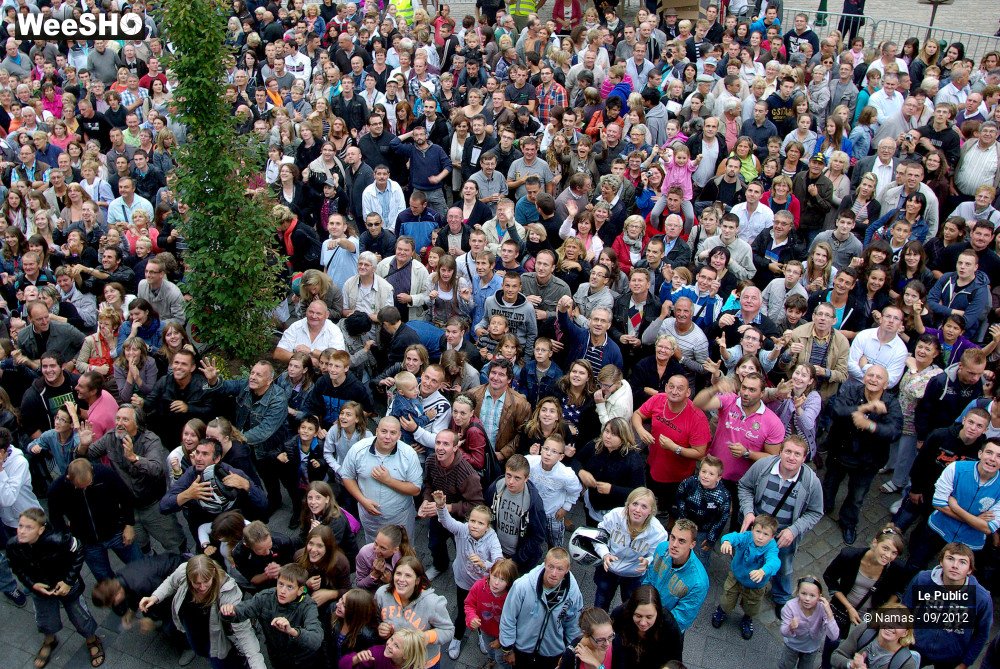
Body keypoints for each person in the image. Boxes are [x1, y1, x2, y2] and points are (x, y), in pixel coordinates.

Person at [77, 403, 187, 554]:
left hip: (153, 505)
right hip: (129, 508)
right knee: (141, 548)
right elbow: (85, 458)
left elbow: (156, 469)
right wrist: (83, 446)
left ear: (137, 423)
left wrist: (134, 457)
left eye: (125, 420)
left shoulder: (150, 440)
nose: (119, 423)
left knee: (175, 543)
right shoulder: (110, 437)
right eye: (117, 419)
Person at [6, 507, 105, 668]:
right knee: (45, 618)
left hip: (66, 586)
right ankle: (50, 641)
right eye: (20, 526)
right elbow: (17, 568)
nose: (22, 531)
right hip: (41, 590)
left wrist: (68, 582)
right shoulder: (13, 545)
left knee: (80, 616)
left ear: (41, 530)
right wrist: (32, 585)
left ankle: (92, 640)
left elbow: (79, 549)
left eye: (29, 527)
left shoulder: (57, 538)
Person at [737, 437, 824, 615]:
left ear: (804, 458)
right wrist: (748, 511)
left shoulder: (811, 482)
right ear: (780, 452)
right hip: (757, 529)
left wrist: (794, 530)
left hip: (783, 535)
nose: (791, 457)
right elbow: (744, 486)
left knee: (783, 567)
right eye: (788, 452)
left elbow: (815, 512)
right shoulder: (763, 466)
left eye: (797, 454)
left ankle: (781, 597)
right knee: (747, 556)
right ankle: (740, 583)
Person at [140, 554, 267, 669]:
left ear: (213, 572)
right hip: (193, 631)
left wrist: (257, 665)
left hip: (218, 640)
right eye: (196, 583)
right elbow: (171, 582)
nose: (202, 587)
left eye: (206, 581)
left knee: (223, 664)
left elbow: (244, 632)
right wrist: (155, 597)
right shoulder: (184, 570)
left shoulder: (228, 593)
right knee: (200, 650)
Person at [822, 525, 910, 668]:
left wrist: (882, 612)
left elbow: (898, 592)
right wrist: (849, 608)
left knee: (862, 646)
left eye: (894, 553)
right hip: (843, 608)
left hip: (871, 614)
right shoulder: (849, 556)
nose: (888, 556)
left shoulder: (897, 568)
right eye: (885, 548)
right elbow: (829, 577)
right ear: (875, 542)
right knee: (833, 643)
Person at [907, 439, 1000, 570]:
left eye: (999, 456)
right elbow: (939, 503)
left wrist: (956, 508)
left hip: (970, 542)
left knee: (955, 577)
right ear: (980, 453)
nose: (992, 459)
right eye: (989, 452)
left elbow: (988, 528)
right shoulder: (956, 468)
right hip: (938, 528)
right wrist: (976, 520)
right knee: (913, 566)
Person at [432, 491, 502, 660]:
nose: (475, 526)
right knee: (463, 611)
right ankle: (457, 638)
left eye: (480, 523)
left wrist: (484, 564)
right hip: (463, 581)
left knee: (482, 611)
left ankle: (481, 633)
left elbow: (499, 562)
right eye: (472, 521)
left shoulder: (492, 539)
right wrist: (441, 506)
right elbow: (447, 522)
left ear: (488, 526)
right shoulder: (463, 530)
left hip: (482, 585)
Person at [902, 543, 993, 669]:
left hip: (952, 657)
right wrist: (902, 640)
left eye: (962, 562)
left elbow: (982, 634)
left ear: (970, 570)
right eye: (950, 558)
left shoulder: (981, 598)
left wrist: (965, 663)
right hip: (915, 645)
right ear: (941, 561)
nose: (955, 565)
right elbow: (904, 610)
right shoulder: (923, 579)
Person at [47, 458, 140, 582]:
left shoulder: (105, 473)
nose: (85, 489)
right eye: (80, 487)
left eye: (89, 484)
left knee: (139, 566)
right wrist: (69, 539)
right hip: (88, 542)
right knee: (105, 580)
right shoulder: (57, 489)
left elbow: (125, 496)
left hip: (116, 531)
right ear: (69, 478)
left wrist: (129, 525)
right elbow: (55, 519)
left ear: (92, 471)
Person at [220, 563, 325, 669]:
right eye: (281, 584)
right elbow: (242, 610)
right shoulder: (266, 597)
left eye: (290, 587)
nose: (282, 591)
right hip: (278, 659)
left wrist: (292, 631)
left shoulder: (308, 605)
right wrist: (230, 612)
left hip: (304, 661)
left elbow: (315, 640)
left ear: (300, 590)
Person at [499, 547, 583, 669]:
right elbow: (508, 618)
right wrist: (508, 649)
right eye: (551, 567)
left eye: (560, 569)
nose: (554, 573)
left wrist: (570, 654)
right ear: (545, 563)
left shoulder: (573, 594)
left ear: (567, 569)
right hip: (522, 650)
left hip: (552, 653)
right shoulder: (522, 586)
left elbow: (574, 625)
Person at [417, 429, 485, 581]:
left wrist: (445, 507)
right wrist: (426, 501)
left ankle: (466, 574)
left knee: (464, 551)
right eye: (438, 443)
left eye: (446, 444)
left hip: (460, 520)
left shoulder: (467, 474)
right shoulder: (431, 461)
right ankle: (440, 565)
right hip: (438, 514)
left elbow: (476, 505)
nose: (440, 448)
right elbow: (428, 484)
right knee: (435, 544)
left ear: (455, 447)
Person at [341, 417, 422, 543]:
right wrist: (362, 500)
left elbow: (416, 489)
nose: (387, 437)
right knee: (374, 549)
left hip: (400, 518)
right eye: (384, 431)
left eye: (393, 433)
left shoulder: (409, 454)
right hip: (370, 518)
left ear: (399, 435)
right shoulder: (358, 450)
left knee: (403, 550)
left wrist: (388, 480)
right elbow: (347, 476)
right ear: (376, 431)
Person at [592, 487, 667, 611]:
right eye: (635, 504)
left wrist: (648, 561)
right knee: (601, 603)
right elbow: (599, 535)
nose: (637, 510)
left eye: (644, 506)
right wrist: (605, 554)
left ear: (651, 511)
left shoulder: (658, 532)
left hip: (634, 574)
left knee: (630, 608)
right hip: (609, 567)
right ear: (628, 504)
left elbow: (658, 554)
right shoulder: (615, 515)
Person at [374, 555, 454, 668]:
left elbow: (448, 630)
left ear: (417, 580)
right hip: (395, 660)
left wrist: (426, 637)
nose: (401, 579)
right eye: (398, 573)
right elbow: (376, 618)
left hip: (423, 663)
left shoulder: (433, 603)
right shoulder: (382, 594)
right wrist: (381, 628)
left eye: (408, 575)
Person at [710, 514, 780, 640]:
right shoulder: (746, 537)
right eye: (758, 531)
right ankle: (722, 610)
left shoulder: (771, 547)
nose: (760, 537)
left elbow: (774, 561)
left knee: (752, 606)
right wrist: (726, 541)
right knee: (727, 598)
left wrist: (763, 571)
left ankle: (747, 618)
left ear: (772, 537)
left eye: (765, 534)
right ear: (752, 529)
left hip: (755, 585)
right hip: (736, 577)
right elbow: (733, 537)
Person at [642, 518, 708, 635]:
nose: (674, 545)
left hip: (666, 630)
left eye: (681, 541)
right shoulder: (662, 548)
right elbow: (649, 579)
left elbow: (681, 618)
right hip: (647, 613)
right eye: (672, 538)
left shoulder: (698, 582)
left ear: (692, 544)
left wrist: (652, 625)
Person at [830, 602, 918, 669]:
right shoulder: (864, 630)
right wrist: (851, 664)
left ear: (905, 633)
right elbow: (835, 656)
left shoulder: (906, 663)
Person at [779, 576, 839, 669]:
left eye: (812, 595)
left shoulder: (822, 608)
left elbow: (834, 636)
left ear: (819, 596)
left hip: (811, 648)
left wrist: (829, 614)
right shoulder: (790, 606)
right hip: (792, 645)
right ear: (798, 592)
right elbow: (783, 631)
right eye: (803, 593)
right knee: (786, 666)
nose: (807, 598)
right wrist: (790, 627)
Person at [231, 521, 298, 592]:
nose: (267, 552)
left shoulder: (283, 541)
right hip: (264, 584)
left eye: (270, 544)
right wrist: (267, 574)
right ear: (248, 546)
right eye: (260, 549)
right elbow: (252, 579)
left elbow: (294, 565)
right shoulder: (239, 554)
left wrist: (282, 569)